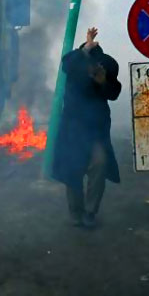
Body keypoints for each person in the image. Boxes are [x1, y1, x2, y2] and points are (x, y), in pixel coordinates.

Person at [53, 27, 122, 228]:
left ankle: (90, 212)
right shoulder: (73, 64)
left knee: (99, 164)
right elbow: (67, 64)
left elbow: (113, 92)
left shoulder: (108, 66)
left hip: (96, 130)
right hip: (73, 129)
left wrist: (102, 82)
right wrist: (85, 47)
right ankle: (76, 213)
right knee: (73, 170)